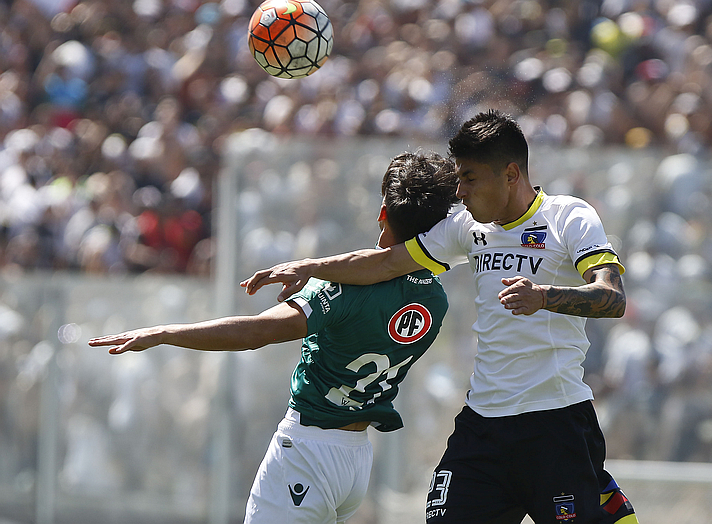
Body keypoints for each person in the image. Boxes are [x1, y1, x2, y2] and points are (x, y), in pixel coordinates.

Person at [241, 110, 639, 524]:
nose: (460, 193)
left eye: (469, 178)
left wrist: (544, 296)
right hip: (483, 427)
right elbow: (384, 264)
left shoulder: (567, 217)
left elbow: (612, 298)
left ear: (510, 174)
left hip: (555, 424)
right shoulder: (466, 227)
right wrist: (309, 267)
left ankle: (604, 500)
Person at [89, 151, 461, 524]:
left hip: (307, 453)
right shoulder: (435, 299)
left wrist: (163, 333)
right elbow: (386, 274)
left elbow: (258, 331)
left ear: (382, 212)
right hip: (357, 459)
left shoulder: (344, 289)